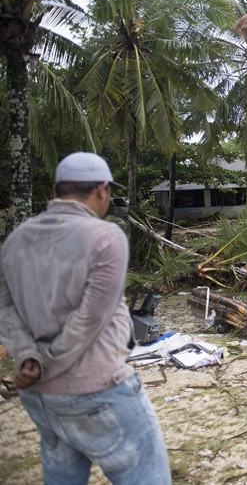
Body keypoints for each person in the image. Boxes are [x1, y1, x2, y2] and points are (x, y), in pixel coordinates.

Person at [0, 152, 171, 484]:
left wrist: (28, 358)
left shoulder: (16, 239)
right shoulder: (105, 238)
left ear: (57, 189)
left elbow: (5, 308)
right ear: (102, 190)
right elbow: (89, 319)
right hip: (99, 391)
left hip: (40, 396)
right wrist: (46, 361)